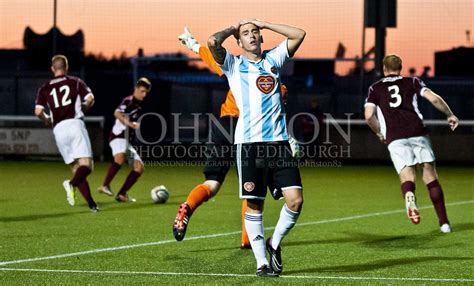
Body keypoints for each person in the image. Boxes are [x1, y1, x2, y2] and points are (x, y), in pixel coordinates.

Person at [208, 19, 306, 277]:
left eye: (255, 33)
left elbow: (299, 33)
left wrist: (265, 24)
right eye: (246, 34)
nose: (252, 36)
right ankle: (261, 262)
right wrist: (232, 28)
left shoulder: (273, 59)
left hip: (279, 143)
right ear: (239, 42)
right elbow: (212, 43)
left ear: (261, 38)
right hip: (249, 145)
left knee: (295, 201)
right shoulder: (233, 64)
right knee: (255, 204)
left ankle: (274, 243)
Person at [364, 54, 459, 233]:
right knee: (430, 176)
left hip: (394, 136)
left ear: (384, 69)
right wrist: (450, 114)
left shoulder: (375, 89)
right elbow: (434, 99)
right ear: (401, 67)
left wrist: (379, 133)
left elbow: (369, 116)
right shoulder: (413, 82)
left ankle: (409, 195)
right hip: (417, 132)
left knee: (407, 177)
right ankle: (444, 223)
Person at [34, 54, 98, 212]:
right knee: (87, 166)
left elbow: (38, 111)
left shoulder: (44, 87)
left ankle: (92, 205)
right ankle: (71, 184)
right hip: (74, 124)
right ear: (66, 67)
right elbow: (90, 98)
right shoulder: (75, 82)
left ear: (52, 69)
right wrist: (85, 106)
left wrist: (47, 119)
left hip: (59, 130)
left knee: (77, 169)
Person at [97, 77, 151, 203]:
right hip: (118, 136)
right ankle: (105, 185)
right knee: (119, 158)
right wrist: (131, 124)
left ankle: (122, 194)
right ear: (136, 89)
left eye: (146, 93)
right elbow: (117, 113)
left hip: (126, 140)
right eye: (142, 91)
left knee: (139, 167)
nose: (144, 94)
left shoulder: (138, 105)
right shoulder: (129, 100)